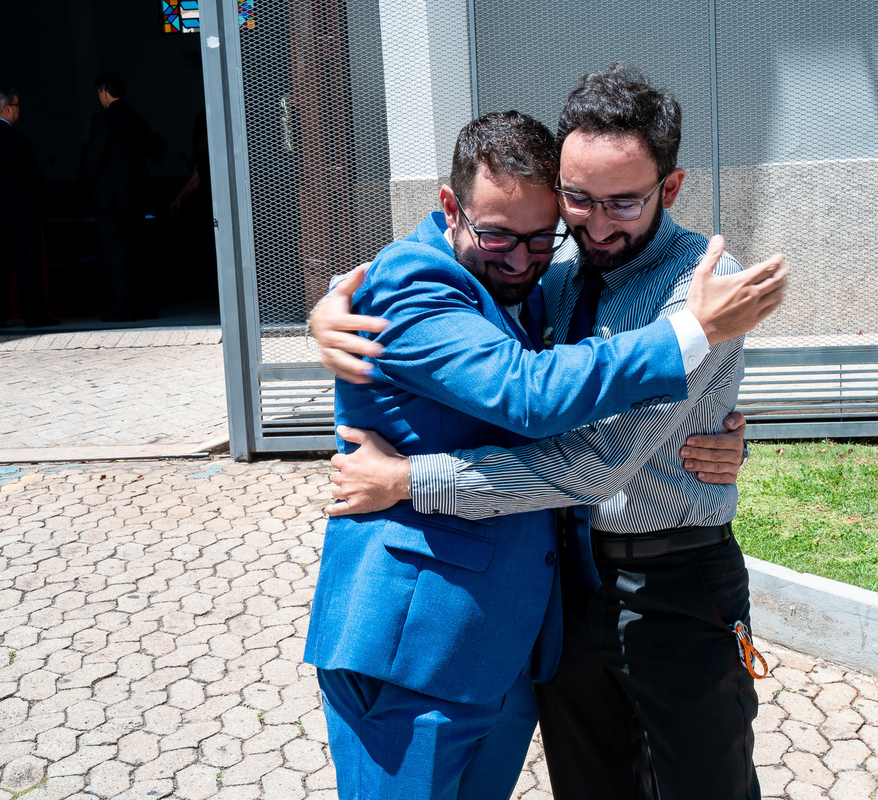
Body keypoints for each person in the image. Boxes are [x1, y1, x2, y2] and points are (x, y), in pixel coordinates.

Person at [314, 65, 788, 800]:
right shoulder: (556, 263)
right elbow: (450, 273)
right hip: (561, 589)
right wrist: (334, 305)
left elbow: (596, 465)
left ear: (671, 187)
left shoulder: (700, 289)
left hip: (673, 586)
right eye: (579, 199)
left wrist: (410, 479)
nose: (595, 226)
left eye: (623, 202)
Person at [0, 88, 57, 329]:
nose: (19, 110)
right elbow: (32, 178)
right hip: (21, 214)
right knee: (27, 268)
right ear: (7, 109)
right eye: (17, 106)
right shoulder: (17, 140)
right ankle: (33, 315)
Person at [83, 71, 154, 322]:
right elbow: (150, 151)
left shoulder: (102, 120)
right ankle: (146, 306)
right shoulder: (137, 119)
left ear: (103, 92)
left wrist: (88, 185)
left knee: (114, 254)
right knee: (139, 251)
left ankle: (123, 308)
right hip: (136, 196)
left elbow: (94, 159)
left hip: (109, 199)